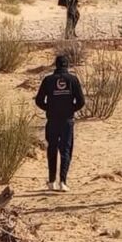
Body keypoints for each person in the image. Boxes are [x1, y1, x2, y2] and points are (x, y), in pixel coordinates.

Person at [34, 55, 86, 192]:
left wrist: (49, 108)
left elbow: (39, 100)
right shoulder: (73, 80)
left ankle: (52, 181)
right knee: (65, 150)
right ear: (67, 65)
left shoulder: (48, 80)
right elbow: (81, 101)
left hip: (52, 120)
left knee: (52, 149)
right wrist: (70, 109)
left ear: (56, 65)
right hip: (67, 121)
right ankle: (63, 181)